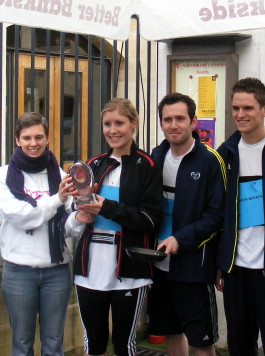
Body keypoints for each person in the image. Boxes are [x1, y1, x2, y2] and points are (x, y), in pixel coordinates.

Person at [0, 112, 90, 356]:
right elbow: (21, 217)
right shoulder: (2, 176)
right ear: (17, 140)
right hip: (18, 271)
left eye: (38, 137)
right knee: (22, 345)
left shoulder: (58, 173)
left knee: (54, 344)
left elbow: (65, 227)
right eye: (27, 138)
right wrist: (57, 199)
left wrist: (80, 218)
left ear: (47, 138)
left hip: (56, 270)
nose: (33, 143)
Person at [72, 98, 163, 356]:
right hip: (89, 268)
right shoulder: (94, 164)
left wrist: (107, 207)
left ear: (133, 124)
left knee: (125, 345)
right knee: (94, 343)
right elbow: (76, 207)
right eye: (107, 124)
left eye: (119, 123)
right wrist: (79, 211)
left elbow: (150, 220)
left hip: (129, 269)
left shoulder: (148, 166)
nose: (113, 130)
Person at [216, 77, 265, 356]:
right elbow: (219, 213)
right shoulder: (225, 154)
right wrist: (221, 262)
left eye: (248, 108)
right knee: (239, 344)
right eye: (235, 108)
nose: (240, 115)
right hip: (236, 270)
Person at [147, 93, 225, 356]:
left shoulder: (210, 161)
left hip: (193, 267)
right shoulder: (154, 158)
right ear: (160, 123)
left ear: (193, 121)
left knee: (201, 342)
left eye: (180, 118)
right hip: (158, 264)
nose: (173, 125)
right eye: (167, 119)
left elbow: (216, 216)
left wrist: (180, 239)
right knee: (170, 333)